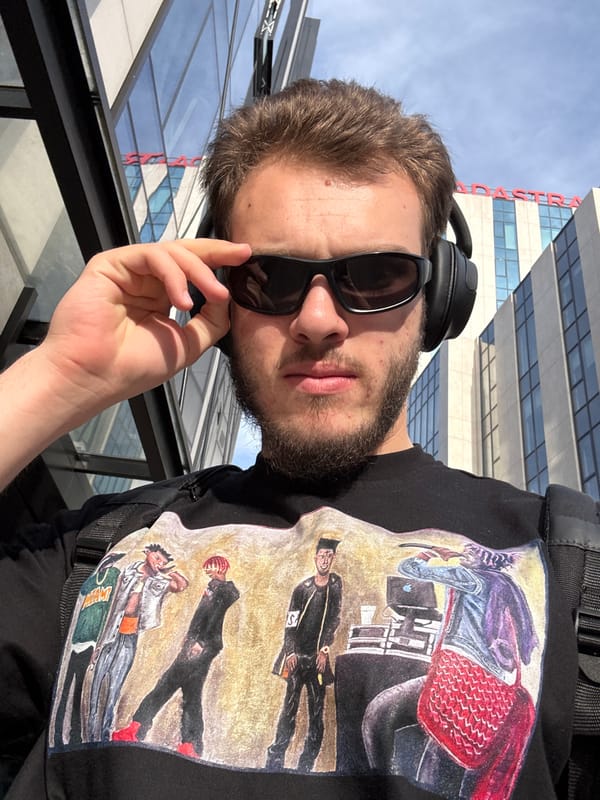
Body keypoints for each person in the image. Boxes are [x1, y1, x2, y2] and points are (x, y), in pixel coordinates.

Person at [0, 79, 577, 800]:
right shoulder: (99, 549)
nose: (318, 320)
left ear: (437, 301)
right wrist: (60, 377)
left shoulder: (570, 568)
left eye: (374, 276)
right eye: (271, 278)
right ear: (218, 295)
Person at [112, 554, 239, 758]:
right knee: (192, 694)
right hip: (199, 644)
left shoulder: (223, 590)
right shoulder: (215, 587)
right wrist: (190, 639)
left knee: (166, 684)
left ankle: (136, 729)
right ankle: (191, 745)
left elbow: (213, 616)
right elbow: (201, 616)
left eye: (211, 567)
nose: (208, 571)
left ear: (221, 568)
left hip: (201, 646)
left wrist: (199, 642)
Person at [266, 537, 342, 772]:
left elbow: (333, 620)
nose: (325, 560)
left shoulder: (336, 585)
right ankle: (275, 760)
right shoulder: (302, 589)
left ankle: (306, 766)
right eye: (322, 555)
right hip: (298, 659)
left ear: (333, 558)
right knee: (289, 710)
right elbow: (290, 624)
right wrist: (290, 652)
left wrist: (324, 650)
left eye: (329, 555)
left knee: (317, 713)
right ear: (315, 558)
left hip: (318, 661)